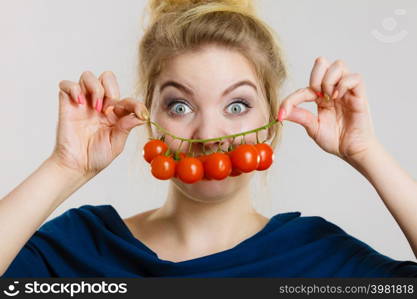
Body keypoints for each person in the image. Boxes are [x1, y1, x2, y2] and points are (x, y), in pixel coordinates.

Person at [1, 0, 417, 278]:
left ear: (273, 122)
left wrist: (367, 153)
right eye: (180, 107)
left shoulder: (319, 257)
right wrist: (65, 166)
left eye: (237, 106)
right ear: (149, 119)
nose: (209, 135)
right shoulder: (80, 248)